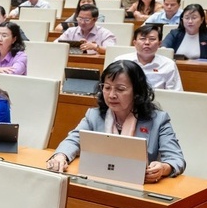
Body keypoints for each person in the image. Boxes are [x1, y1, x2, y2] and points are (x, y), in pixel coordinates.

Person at [46, 60, 186, 181]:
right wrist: (60, 156)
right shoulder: (94, 115)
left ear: (137, 92)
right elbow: (73, 140)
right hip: (100, 179)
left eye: (120, 89)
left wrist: (163, 168)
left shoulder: (158, 120)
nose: (112, 95)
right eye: (107, 88)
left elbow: (176, 159)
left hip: (140, 184)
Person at [114, 25, 182, 90]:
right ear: (134, 43)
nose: (147, 42)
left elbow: (175, 93)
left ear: (159, 43)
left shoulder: (168, 65)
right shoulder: (120, 61)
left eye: (152, 39)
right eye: (142, 39)